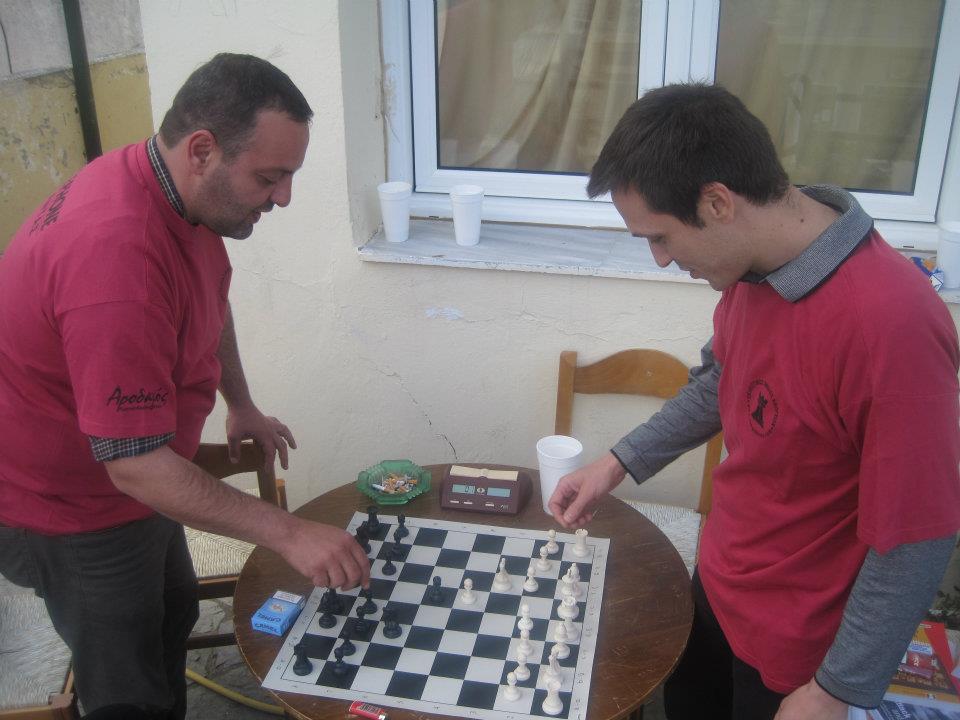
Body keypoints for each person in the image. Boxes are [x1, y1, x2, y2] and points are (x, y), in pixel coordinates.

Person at [548, 84, 960, 720]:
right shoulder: (750, 268)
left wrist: (835, 690)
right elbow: (722, 380)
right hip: (719, 586)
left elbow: (918, 533)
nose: (660, 260)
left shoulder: (891, 323)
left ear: (717, 202)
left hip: (799, 652)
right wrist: (616, 463)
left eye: (660, 238)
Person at [0, 54, 370, 718]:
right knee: (127, 689)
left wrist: (240, 401)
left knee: (171, 619)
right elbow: (135, 466)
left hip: (142, 474)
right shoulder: (115, 262)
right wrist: (288, 533)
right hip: (71, 505)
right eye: (270, 177)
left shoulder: (173, 193)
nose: (283, 197)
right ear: (202, 150)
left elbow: (208, 298)